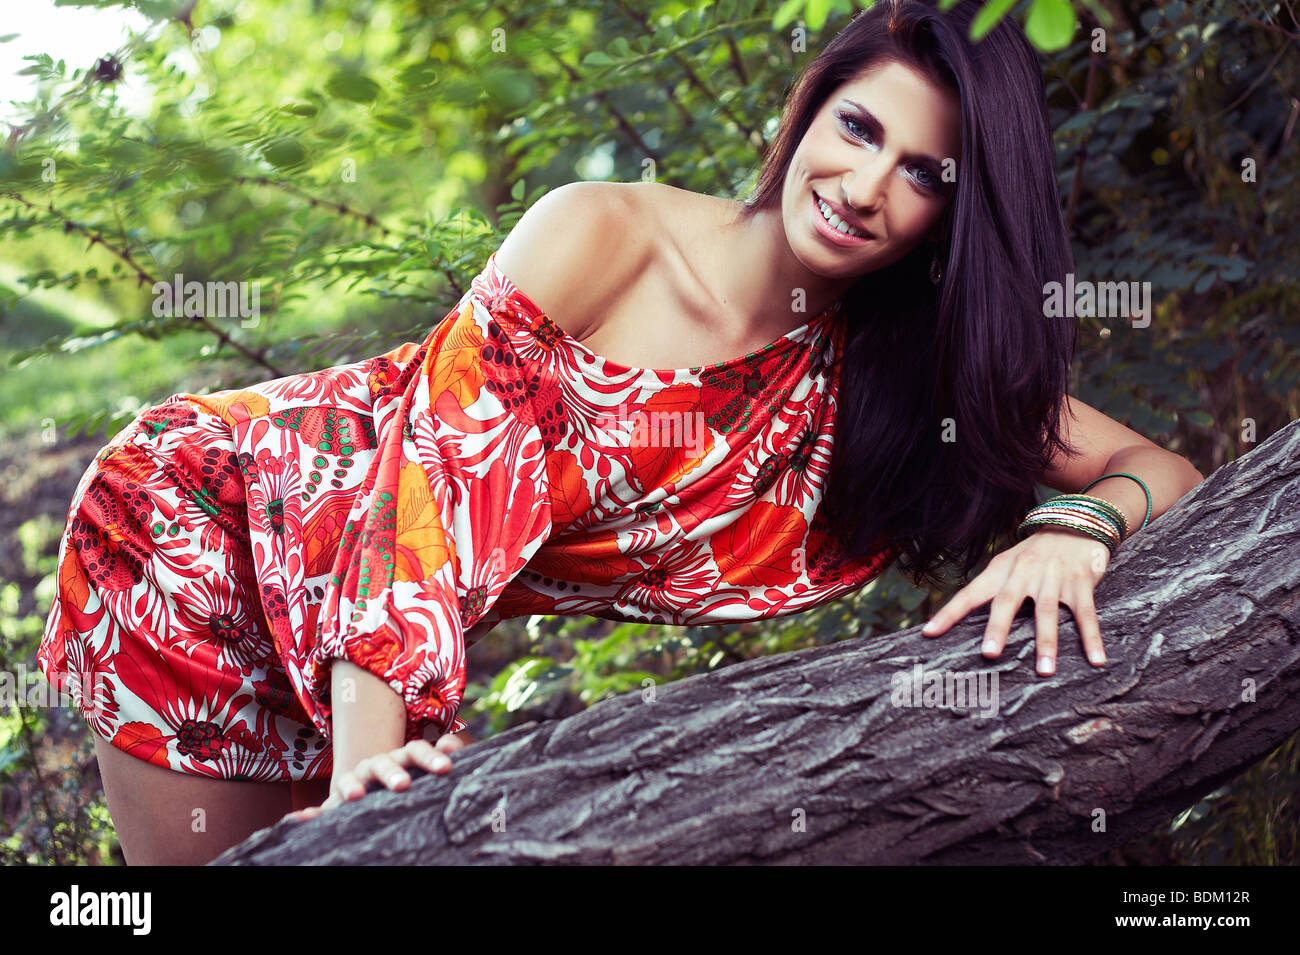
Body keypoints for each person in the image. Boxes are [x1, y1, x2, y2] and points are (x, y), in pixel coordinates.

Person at [37, 0, 1202, 865]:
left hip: (366, 630)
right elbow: (428, 490)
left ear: (953, 218)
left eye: (921, 173)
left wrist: (1077, 530)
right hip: (207, 532)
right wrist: (364, 766)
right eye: (855, 128)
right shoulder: (598, 234)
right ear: (809, 105)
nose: (862, 184)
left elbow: (1158, 466)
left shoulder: (887, 381)